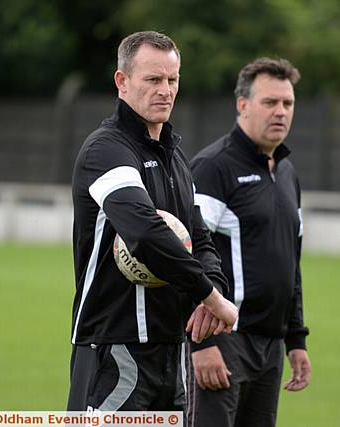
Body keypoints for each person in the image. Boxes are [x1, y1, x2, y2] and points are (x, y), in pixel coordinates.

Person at [68, 31, 238, 418]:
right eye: (153, 79)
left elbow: (200, 239)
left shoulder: (177, 160)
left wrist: (211, 293)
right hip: (113, 348)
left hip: (171, 351)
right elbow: (145, 233)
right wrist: (212, 297)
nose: (165, 90)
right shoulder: (105, 149)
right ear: (122, 82)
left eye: (172, 80)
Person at [187, 58, 311, 427]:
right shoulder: (213, 167)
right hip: (223, 342)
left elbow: (292, 265)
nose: (281, 112)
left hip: (270, 347)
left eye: (287, 104)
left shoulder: (287, 172)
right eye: (270, 102)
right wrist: (201, 344)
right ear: (243, 105)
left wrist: (296, 340)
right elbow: (184, 256)